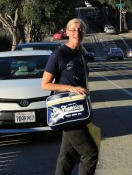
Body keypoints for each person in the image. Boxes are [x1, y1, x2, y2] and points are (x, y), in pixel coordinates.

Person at [41, 18, 99, 175]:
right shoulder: (59, 54)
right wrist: (70, 88)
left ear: (84, 32)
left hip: (79, 109)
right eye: (73, 30)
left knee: (67, 156)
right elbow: (45, 84)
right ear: (66, 32)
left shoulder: (81, 53)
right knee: (90, 153)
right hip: (66, 110)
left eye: (80, 30)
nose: (76, 33)